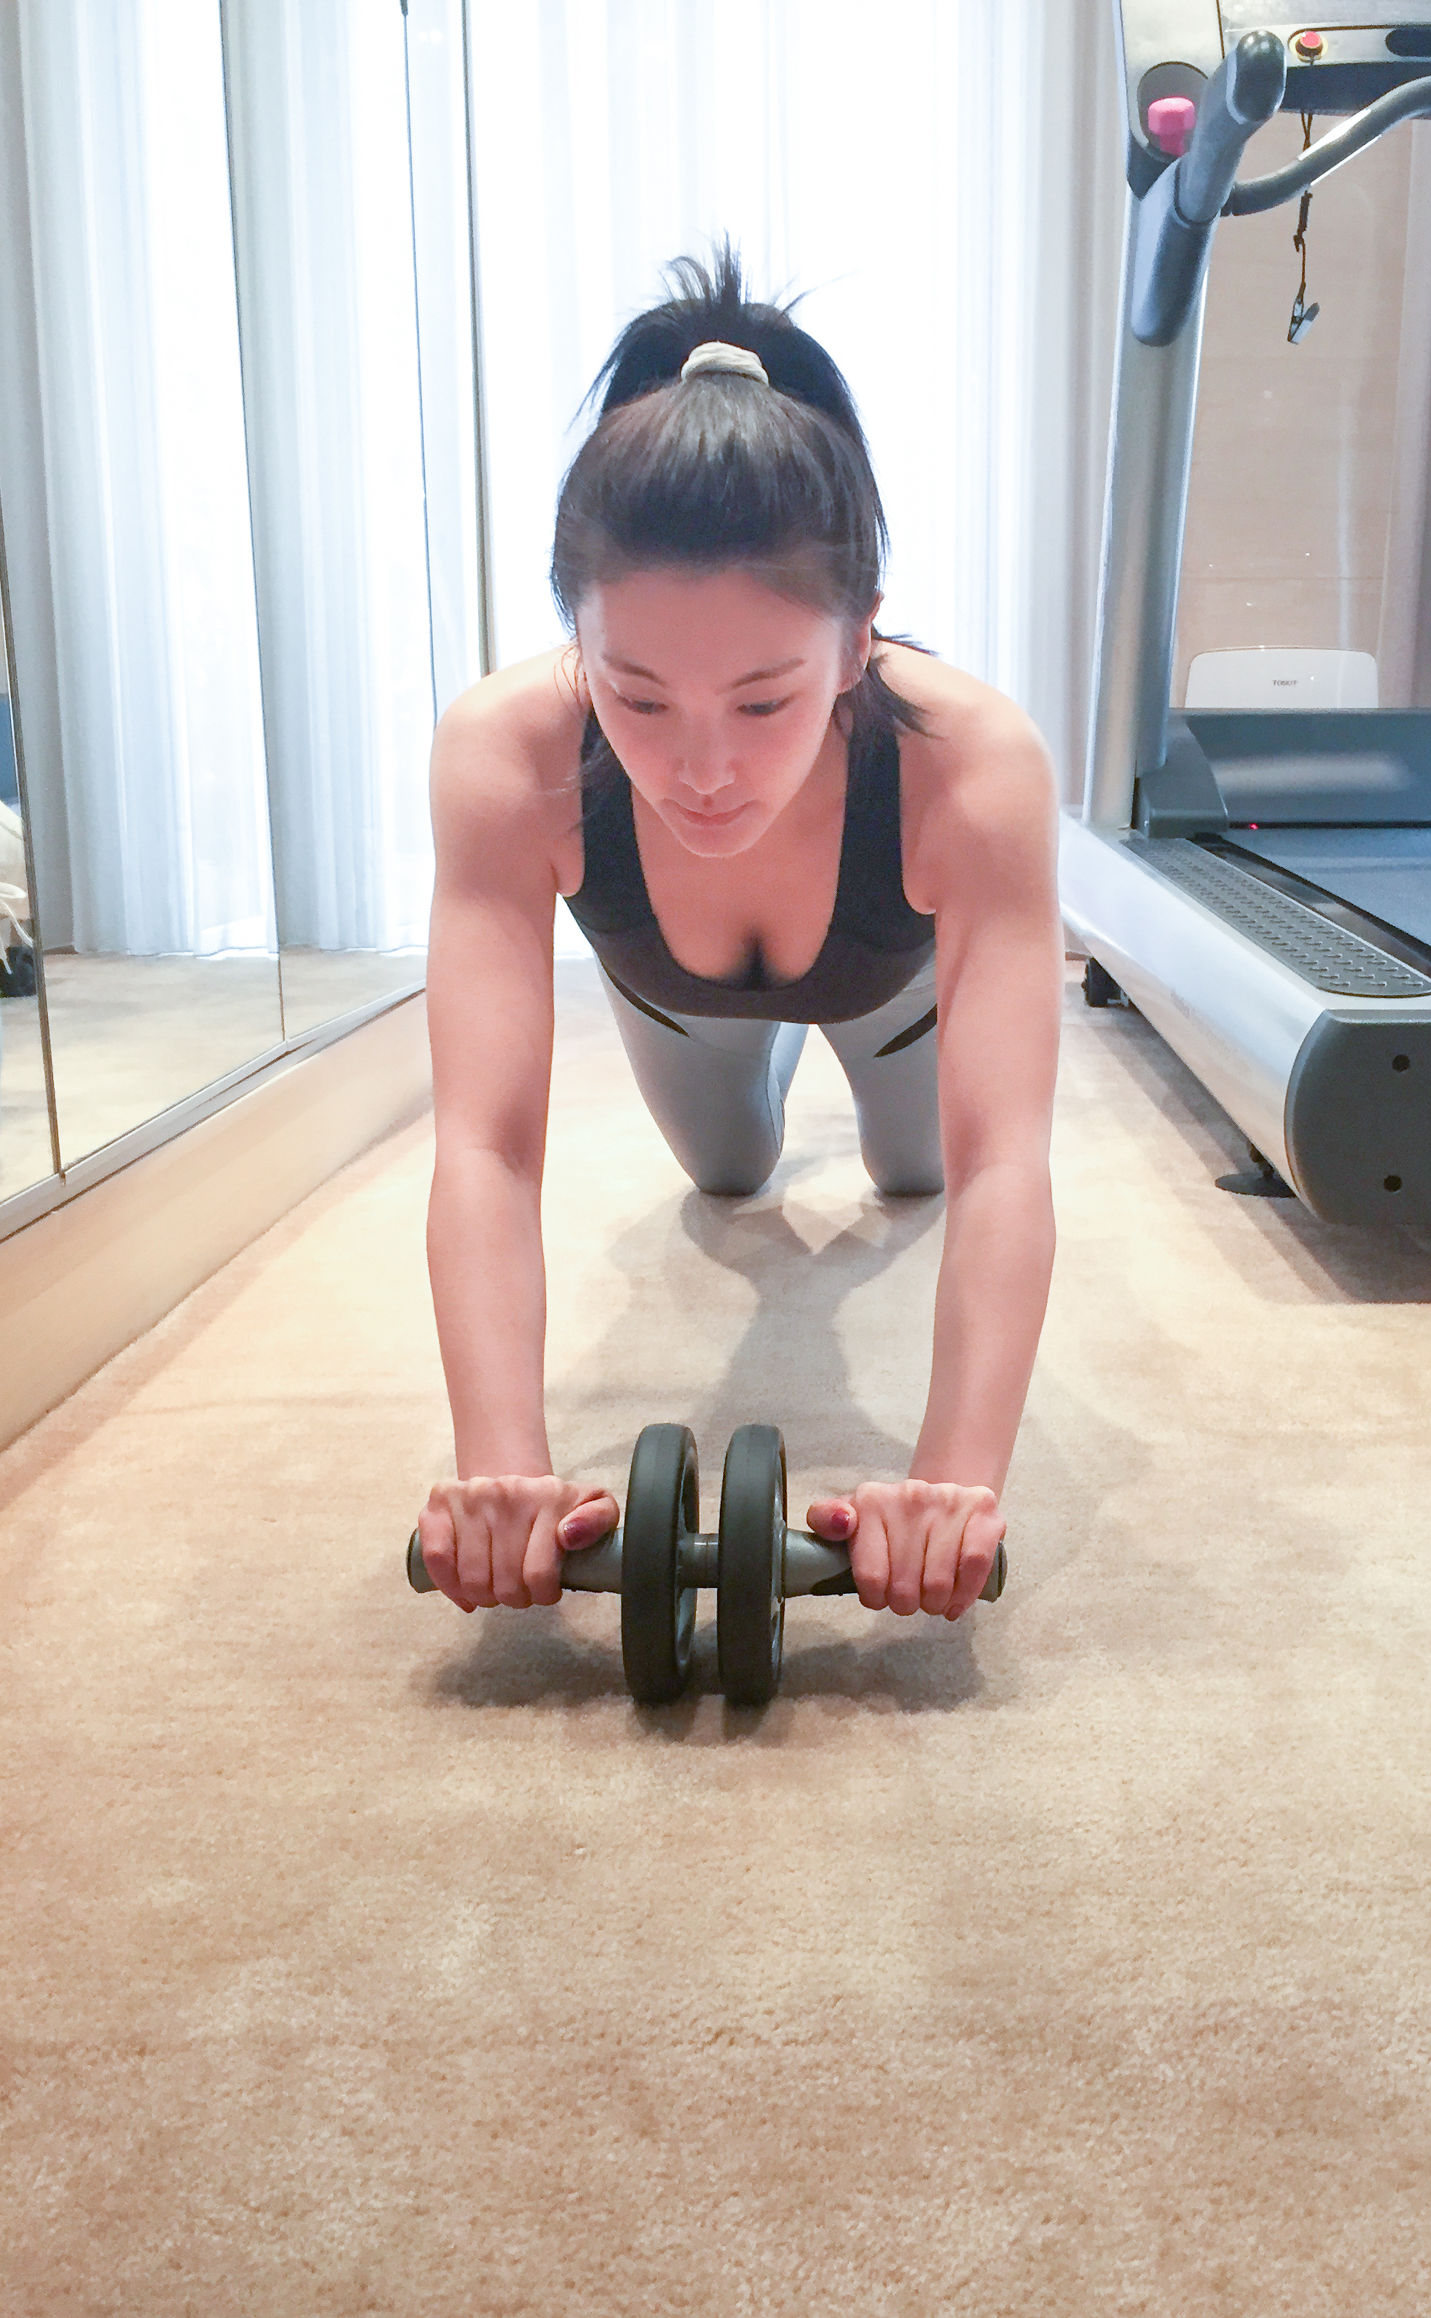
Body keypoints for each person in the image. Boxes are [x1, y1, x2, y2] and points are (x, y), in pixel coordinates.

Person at [415, 248, 1061, 1630]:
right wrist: (500, 1469)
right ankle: (762, 1077)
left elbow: (1010, 1151)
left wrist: (951, 1484)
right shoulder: (502, 749)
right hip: (678, 997)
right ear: (575, 640)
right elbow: (483, 1139)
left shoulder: (975, 759)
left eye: (764, 701)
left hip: (893, 996)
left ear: (857, 641)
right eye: (638, 699)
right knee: (731, 1173)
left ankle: (843, 1071)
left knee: (914, 1175)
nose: (700, 768)